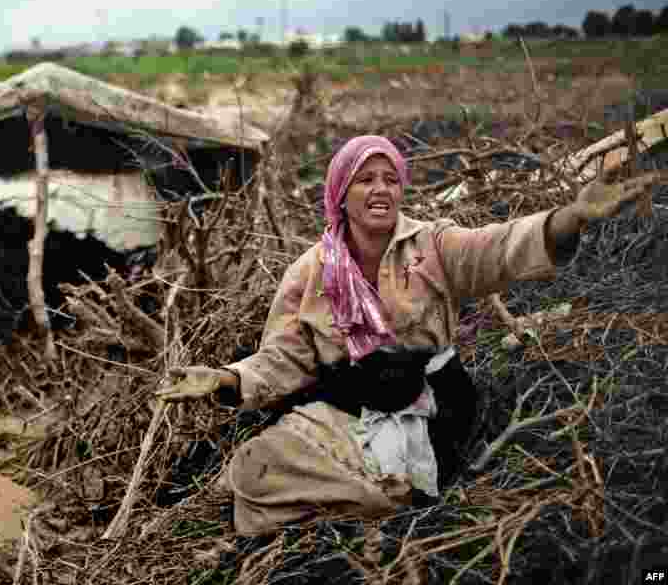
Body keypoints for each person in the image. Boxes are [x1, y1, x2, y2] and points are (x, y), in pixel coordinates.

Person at [156, 135, 663, 535]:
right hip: (345, 414)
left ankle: (375, 496)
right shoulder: (310, 272)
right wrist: (224, 378)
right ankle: (360, 494)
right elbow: (283, 361)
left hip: (428, 413)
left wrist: (571, 218)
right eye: (364, 180)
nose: (380, 190)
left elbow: (504, 248)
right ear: (340, 193)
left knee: (371, 490)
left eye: (390, 179)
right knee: (254, 466)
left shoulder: (435, 246)